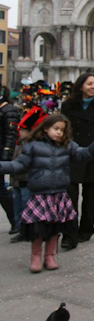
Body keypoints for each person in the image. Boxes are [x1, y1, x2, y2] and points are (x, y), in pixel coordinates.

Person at [0, 114, 94, 272]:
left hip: (59, 194)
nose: (59, 133)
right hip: (39, 194)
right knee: (38, 228)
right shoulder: (33, 146)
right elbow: (18, 165)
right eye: (56, 129)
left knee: (55, 229)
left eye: (62, 130)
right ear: (45, 128)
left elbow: (83, 154)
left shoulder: (67, 145)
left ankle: (49, 256)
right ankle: (36, 256)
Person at [60, 73, 94, 250]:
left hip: (92, 154)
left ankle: (86, 229)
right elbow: (63, 126)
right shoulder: (68, 105)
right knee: (70, 196)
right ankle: (69, 234)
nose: (93, 87)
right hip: (72, 152)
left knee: (90, 196)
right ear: (81, 86)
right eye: (89, 84)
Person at [9, 105, 47, 243]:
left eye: (23, 130)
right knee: (17, 206)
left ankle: (28, 230)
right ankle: (20, 229)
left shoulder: (31, 145)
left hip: (26, 181)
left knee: (27, 206)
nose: (20, 132)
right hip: (16, 181)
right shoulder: (19, 143)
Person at [1, 86, 21, 233]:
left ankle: (16, 220)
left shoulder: (8, 110)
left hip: (1, 154)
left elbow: (10, 135)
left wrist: (6, 157)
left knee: (1, 190)